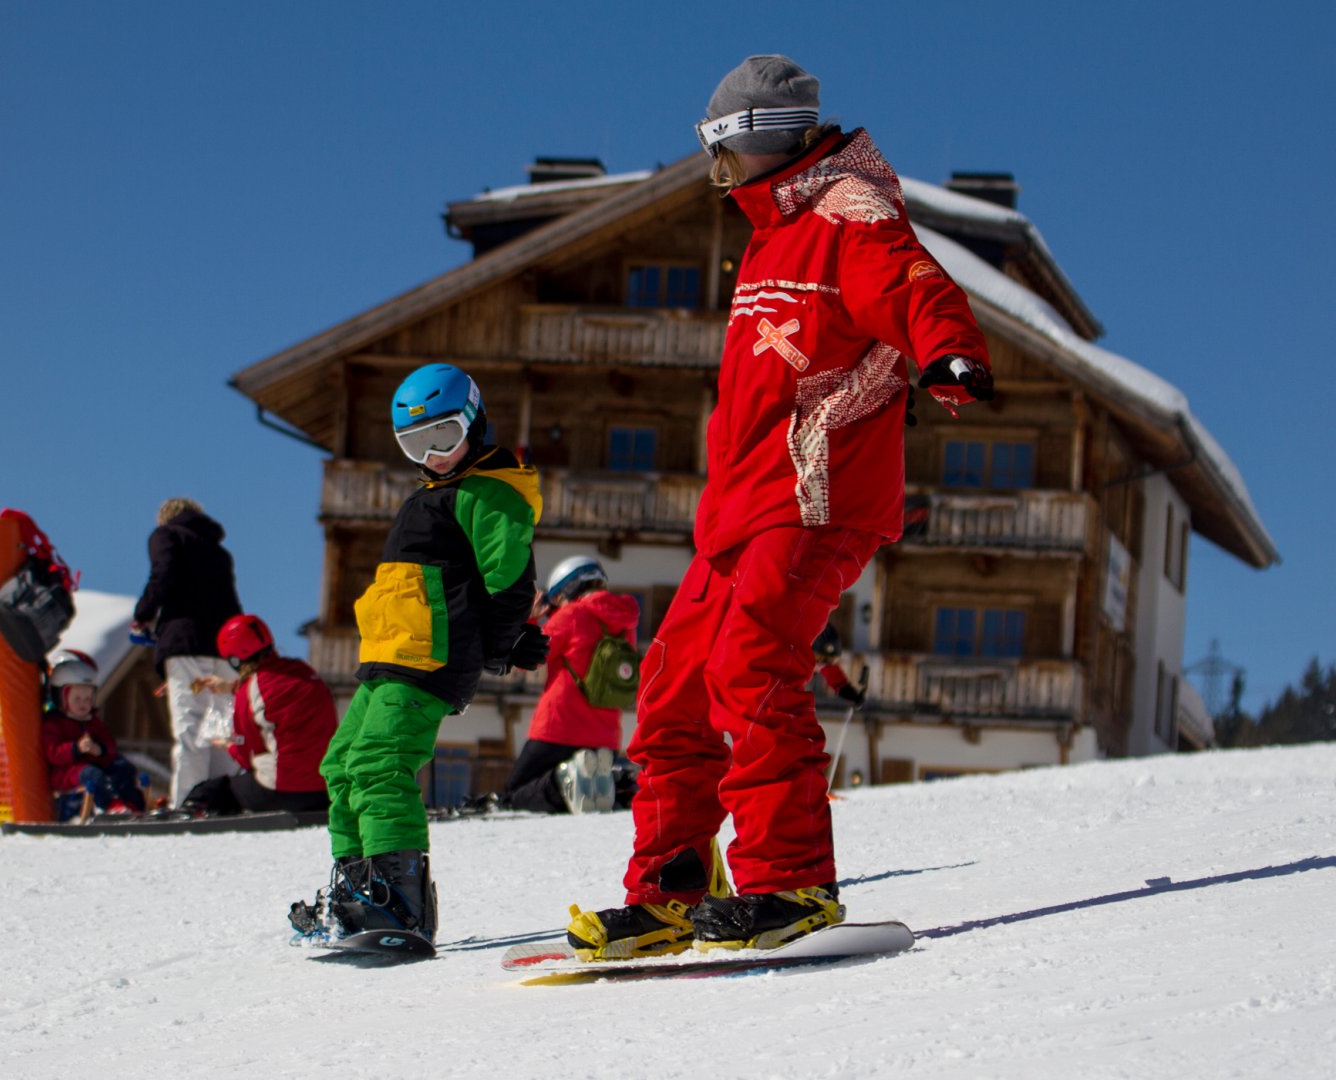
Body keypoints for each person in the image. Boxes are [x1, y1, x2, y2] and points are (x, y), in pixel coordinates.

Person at [566, 55, 994, 960]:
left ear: (760, 140)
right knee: (673, 687)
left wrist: (948, 350)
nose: (716, 175)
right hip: (741, 506)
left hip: (816, 489)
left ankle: (790, 879)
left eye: (722, 152)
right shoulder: (769, 231)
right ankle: (671, 887)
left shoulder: (848, 212)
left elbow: (913, 283)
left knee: (754, 662)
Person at [289, 362, 548, 944]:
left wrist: (502, 645)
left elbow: (507, 581)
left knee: (381, 764)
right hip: (391, 655)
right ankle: (357, 890)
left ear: (474, 421)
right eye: (416, 443)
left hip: (428, 656)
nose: (432, 455)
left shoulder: (492, 492)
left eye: (444, 437)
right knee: (342, 764)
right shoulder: (438, 493)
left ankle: (399, 901)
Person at [503, 555, 639, 814]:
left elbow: (527, 657)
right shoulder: (625, 624)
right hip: (605, 735)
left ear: (569, 589)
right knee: (583, 798)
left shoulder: (573, 615)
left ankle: (563, 783)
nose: (556, 608)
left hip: (559, 727)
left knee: (515, 793)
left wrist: (531, 619)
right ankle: (615, 787)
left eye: (557, 601)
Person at [132, 496, 243, 807]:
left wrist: (142, 614)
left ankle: (189, 803)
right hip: (223, 648)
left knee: (191, 726)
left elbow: (162, 576)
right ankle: (224, 800)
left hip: (185, 642)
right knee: (222, 726)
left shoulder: (167, 535)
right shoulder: (220, 553)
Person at [181, 614, 336, 816]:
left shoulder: (251, 689)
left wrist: (229, 745)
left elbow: (247, 755)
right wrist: (231, 687)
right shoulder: (304, 671)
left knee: (212, 791)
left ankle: (189, 815)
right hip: (324, 790)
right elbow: (276, 688)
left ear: (235, 659)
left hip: (282, 789)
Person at [40, 656, 147, 818]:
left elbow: (109, 743)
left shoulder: (92, 721)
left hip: (92, 764)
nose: (84, 704)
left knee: (123, 767)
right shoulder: (53, 724)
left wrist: (100, 749)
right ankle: (106, 806)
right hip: (67, 772)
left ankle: (133, 804)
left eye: (88, 699)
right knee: (93, 775)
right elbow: (53, 753)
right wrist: (76, 748)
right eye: (77, 699)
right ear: (60, 698)